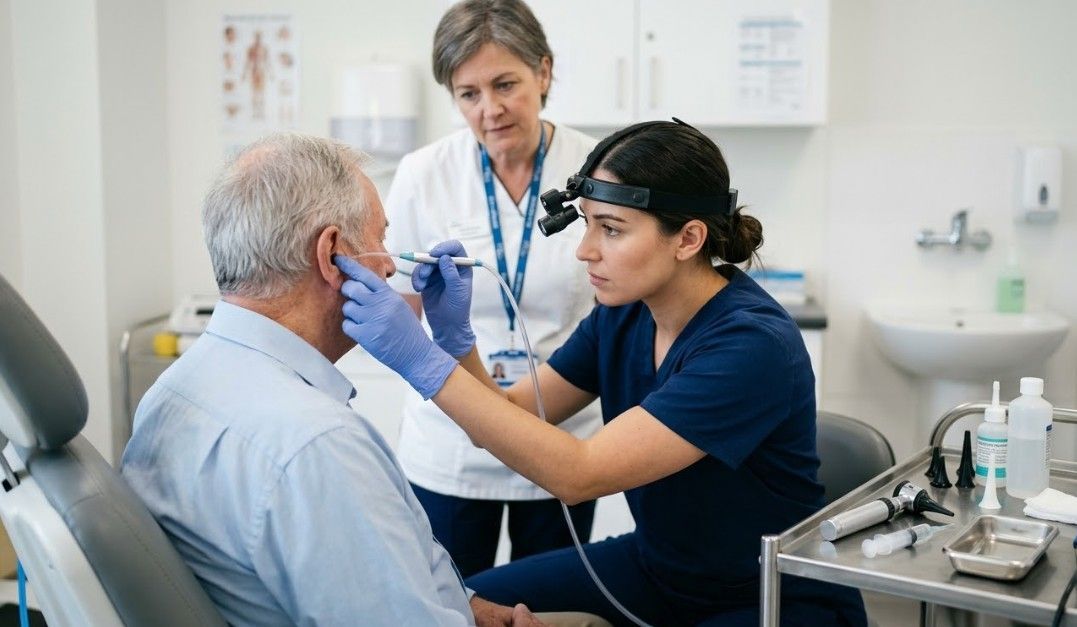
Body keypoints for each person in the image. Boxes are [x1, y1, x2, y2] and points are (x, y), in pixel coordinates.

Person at [336, 120, 868, 626]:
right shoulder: (624, 314)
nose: (586, 250)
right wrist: (455, 343)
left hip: (766, 595)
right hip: (658, 569)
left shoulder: (751, 345)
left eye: (611, 229)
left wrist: (419, 361)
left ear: (688, 239)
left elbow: (578, 474)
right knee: (466, 602)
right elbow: (517, 413)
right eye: (587, 224)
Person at [120, 133, 547, 626]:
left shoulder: (172, 390)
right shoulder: (316, 446)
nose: (389, 265)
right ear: (331, 254)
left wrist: (468, 607)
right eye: (380, 239)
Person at [383, 0, 601, 578]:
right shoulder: (422, 174)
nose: (491, 109)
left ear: (544, 72)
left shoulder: (598, 168)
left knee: (553, 604)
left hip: (561, 434)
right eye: (469, 93)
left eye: (506, 84)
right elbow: (403, 312)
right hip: (450, 443)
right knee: (452, 603)